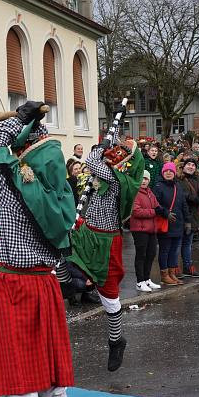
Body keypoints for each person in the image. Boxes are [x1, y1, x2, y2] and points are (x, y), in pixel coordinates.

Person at [0, 101, 77, 397]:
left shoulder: (15, 189)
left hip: (16, 284)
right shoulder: (60, 192)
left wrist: (15, 119)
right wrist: (29, 124)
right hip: (47, 283)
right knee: (50, 367)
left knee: (20, 370)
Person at [67, 133, 143, 371]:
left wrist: (99, 149)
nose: (114, 153)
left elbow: (90, 161)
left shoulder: (119, 179)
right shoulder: (105, 174)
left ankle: (116, 339)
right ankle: (68, 286)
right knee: (62, 255)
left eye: (120, 152)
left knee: (109, 294)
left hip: (107, 241)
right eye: (114, 150)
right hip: (87, 231)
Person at [153, 162, 190, 286]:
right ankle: (164, 275)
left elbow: (184, 205)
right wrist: (165, 213)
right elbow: (156, 204)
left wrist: (188, 221)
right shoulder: (158, 186)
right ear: (163, 173)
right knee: (165, 250)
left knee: (174, 251)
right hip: (166, 224)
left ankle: (172, 273)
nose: (168, 173)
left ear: (174, 173)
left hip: (178, 224)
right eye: (166, 171)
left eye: (171, 171)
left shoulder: (178, 186)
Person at [127, 170, 161, 291]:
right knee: (141, 255)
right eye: (141, 178)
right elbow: (136, 211)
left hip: (151, 228)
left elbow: (157, 206)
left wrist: (163, 211)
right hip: (139, 229)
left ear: (149, 180)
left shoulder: (150, 193)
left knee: (151, 254)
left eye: (146, 179)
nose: (143, 181)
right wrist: (154, 212)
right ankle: (139, 281)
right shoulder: (135, 192)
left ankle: (147, 279)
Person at [178, 158, 199, 278]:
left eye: (193, 165)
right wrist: (190, 197)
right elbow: (178, 194)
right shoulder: (178, 179)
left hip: (193, 216)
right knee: (177, 244)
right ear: (183, 166)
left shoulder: (198, 180)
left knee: (187, 244)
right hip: (180, 216)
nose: (191, 167)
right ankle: (174, 268)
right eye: (188, 164)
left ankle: (188, 267)